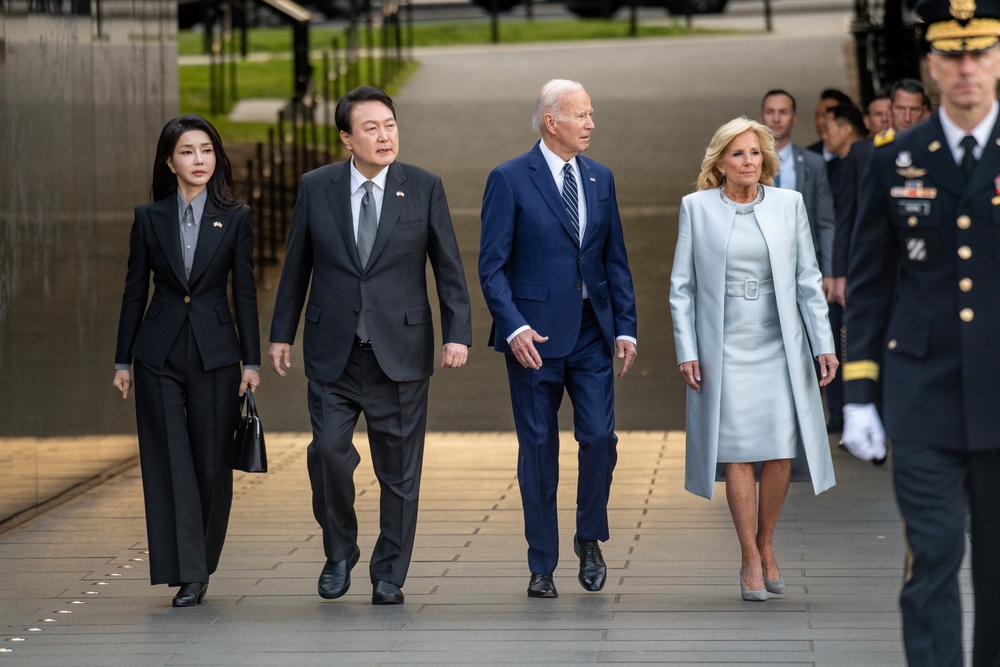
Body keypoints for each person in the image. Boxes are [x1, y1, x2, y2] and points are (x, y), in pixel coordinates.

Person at [268, 86, 472, 606]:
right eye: (371, 128)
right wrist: (280, 333)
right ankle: (339, 552)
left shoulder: (423, 187)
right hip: (333, 351)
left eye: (390, 125)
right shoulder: (317, 188)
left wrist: (457, 333)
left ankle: (389, 573)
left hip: (400, 352)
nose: (385, 137)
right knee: (328, 456)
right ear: (346, 139)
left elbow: (447, 265)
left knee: (399, 471)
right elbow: (297, 265)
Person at [842, 0, 1000, 663]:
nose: (967, 69)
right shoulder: (893, 157)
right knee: (932, 560)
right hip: (922, 396)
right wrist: (858, 391)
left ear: (998, 61)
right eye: (953, 56)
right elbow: (870, 280)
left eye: (981, 54)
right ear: (931, 66)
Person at [479, 79, 638, 600]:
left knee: (599, 439)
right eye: (582, 115)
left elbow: (614, 259)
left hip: (592, 334)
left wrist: (626, 327)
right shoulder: (508, 179)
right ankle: (541, 563)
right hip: (533, 341)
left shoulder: (602, 177)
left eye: (592, 114)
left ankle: (589, 536)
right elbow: (492, 267)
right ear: (552, 122)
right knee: (539, 450)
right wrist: (514, 326)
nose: (592, 124)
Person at [669, 117, 838, 602]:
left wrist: (822, 343)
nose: (748, 162)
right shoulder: (696, 208)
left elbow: (809, 279)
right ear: (720, 162)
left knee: (780, 448)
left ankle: (767, 544)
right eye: (738, 154)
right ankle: (748, 556)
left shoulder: (790, 204)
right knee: (740, 449)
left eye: (756, 153)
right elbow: (681, 288)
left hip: (779, 343)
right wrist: (687, 349)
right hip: (724, 346)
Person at [112, 114, 261, 607]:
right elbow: (135, 291)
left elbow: (245, 295)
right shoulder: (148, 217)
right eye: (187, 152)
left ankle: (201, 563)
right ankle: (187, 572)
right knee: (166, 459)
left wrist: (251, 361)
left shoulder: (235, 216)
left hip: (217, 354)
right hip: (157, 352)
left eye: (206, 151)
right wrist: (122, 361)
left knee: (210, 463)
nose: (199, 160)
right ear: (170, 161)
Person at [760, 90, 839, 429]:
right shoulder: (747, 160)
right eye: (770, 111)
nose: (776, 118)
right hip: (760, 270)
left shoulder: (813, 163)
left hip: (801, 267)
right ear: (761, 116)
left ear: (794, 117)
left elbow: (825, 220)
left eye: (783, 112)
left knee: (808, 340)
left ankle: (803, 416)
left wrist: (830, 271)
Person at [830, 78, 930, 309]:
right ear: (891, 110)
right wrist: (840, 273)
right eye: (900, 109)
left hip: (922, 264)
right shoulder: (863, 152)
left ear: (924, 112)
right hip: (875, 264)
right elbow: (846, 216)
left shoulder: (936, 151)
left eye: (913, 110)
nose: (906, 117)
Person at [807, 88, 854, 156]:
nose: (819, 123)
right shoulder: (810, 155)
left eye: (825, 116)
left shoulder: (864, 152)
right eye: (817, 116)